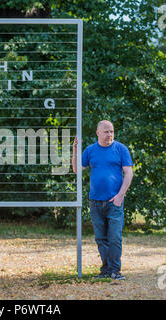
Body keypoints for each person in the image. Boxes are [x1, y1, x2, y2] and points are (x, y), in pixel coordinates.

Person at [72, 120, 133, 280]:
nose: (109, 134)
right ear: (98, 133)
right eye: (106, 131)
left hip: (115, 202)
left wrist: (120, 195)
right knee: (101, 238)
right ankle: (106, 270)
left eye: (111, 131)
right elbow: (77, 169)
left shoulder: (120, 149)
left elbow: (129, 173)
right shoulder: (90, 150)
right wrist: (75, 151)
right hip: (95, 201)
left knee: (114, 237)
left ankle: (115, 271)